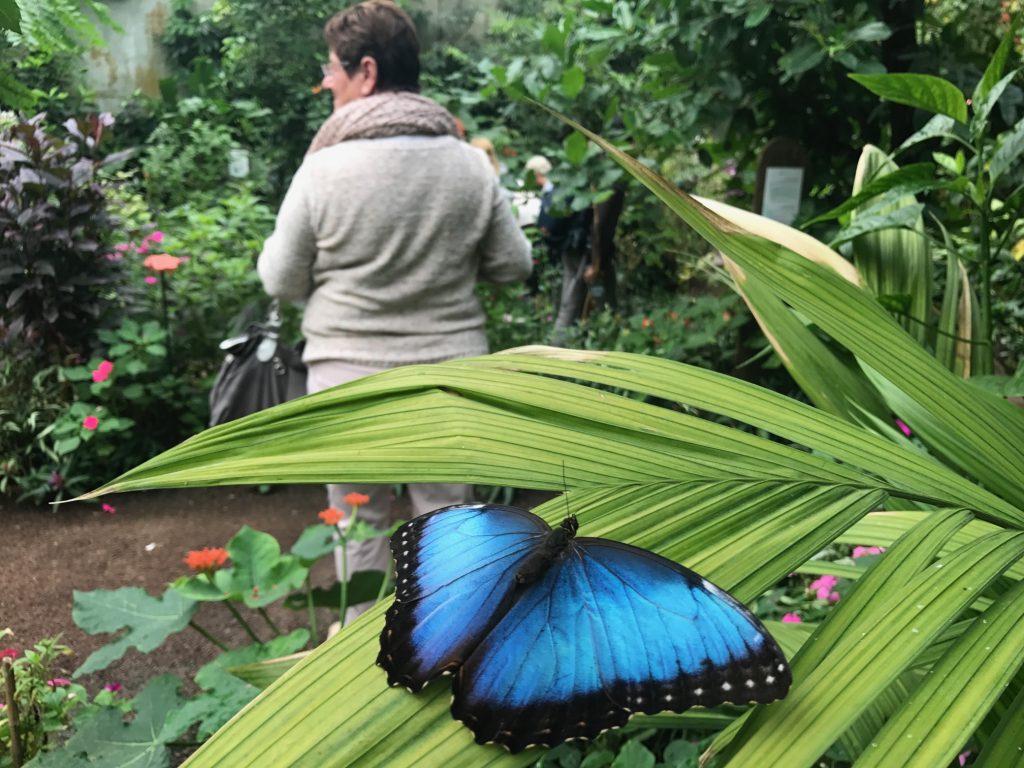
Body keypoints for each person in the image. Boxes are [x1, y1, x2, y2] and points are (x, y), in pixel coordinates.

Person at [257, 0, 532, 624]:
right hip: (450, 379)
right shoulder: (469, 163)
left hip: (346, 382)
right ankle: (451, 653)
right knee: (448, 526)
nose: (327, 82)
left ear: (368, 72)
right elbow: (514, 265)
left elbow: (279, 277)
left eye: (332, 69)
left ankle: (363, 667)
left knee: (360, 526)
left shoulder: (322, 168)